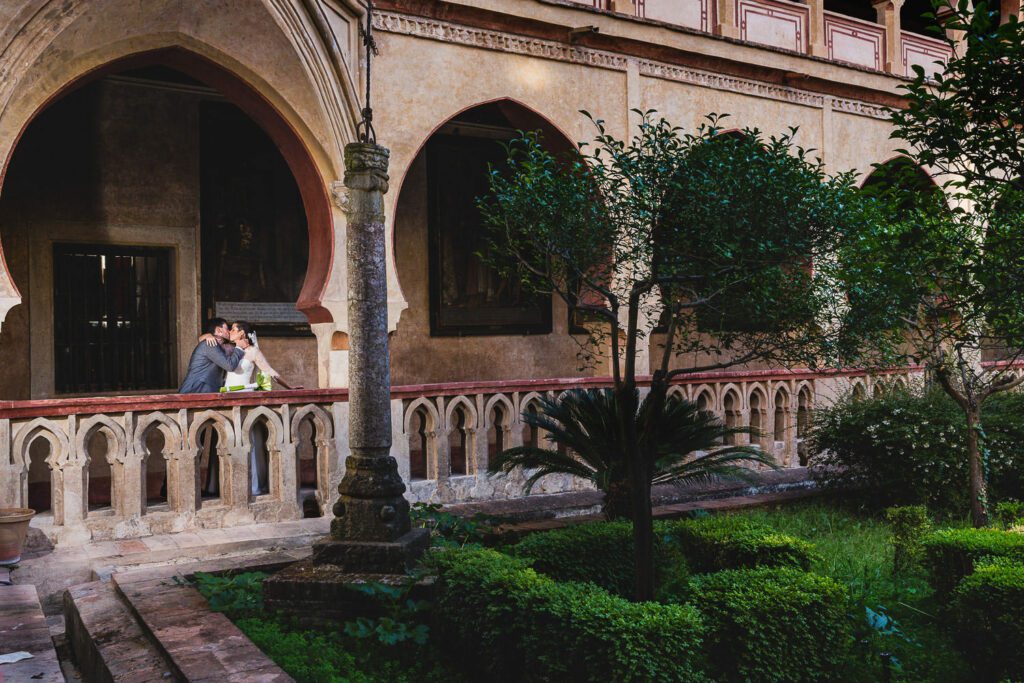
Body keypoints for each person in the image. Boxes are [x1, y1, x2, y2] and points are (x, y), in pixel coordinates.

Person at [200, 321, 296, 495]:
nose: (230, 331)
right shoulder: (228, 348)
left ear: (242, 333)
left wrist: (290, 388)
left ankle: (250, 485)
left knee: (246, 441)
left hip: (244, 399)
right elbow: (204, 341)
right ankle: (220, 485)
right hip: (226, 397)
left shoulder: (253, 352)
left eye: (234, 329)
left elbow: (270, 372)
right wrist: (206, 336)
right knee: (223, 441)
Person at [179, 318, 244, 497]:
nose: (229, 331)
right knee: (189, 445)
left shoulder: (213, 342)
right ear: (218, 330)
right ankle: (180, 490)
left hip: (204, 396)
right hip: (194, 394)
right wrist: (239, 348)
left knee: (194, 444)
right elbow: (229, 365)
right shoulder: (210, 344)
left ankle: (185, 489)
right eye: (226, 328)